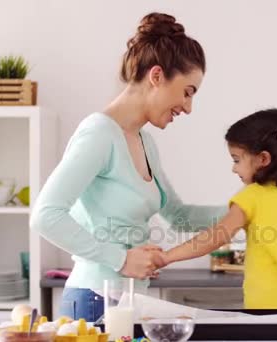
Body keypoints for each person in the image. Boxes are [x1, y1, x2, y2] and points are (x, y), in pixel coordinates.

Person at [30, 12, 226, 321]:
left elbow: (178, 215)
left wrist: (245, 209)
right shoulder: (98, 134)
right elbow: (45, 215)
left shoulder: (144, 141)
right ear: (157, 76)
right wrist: (120, 259)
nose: (188, 107)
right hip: (94, 300)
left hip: (130, 301)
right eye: (187, 92)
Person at [162, 108, 277, 309]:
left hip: (263, 311)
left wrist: (167, 256)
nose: (234, 168)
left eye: (237, 160)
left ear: (263, 159)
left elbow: (216, 236)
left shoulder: (251, 197)